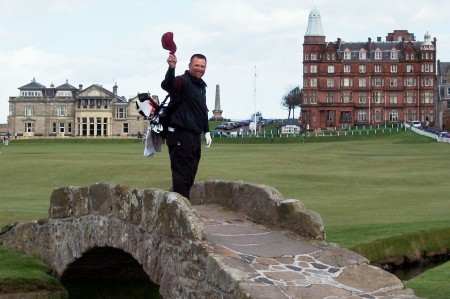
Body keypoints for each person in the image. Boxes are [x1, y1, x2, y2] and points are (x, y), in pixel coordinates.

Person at [161, 53, 212, 200]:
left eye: (202, 66)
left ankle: (182, 206)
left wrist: (207, 131)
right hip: (179, 135)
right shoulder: (183, 81)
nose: (199, 69)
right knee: (181, 175)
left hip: (194, 136)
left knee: (190, 173)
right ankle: (182, 212)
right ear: (189, 66)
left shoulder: (201, 86)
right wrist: (172, 68)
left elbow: (202, 109)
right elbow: (169, 85)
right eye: (196, 65)